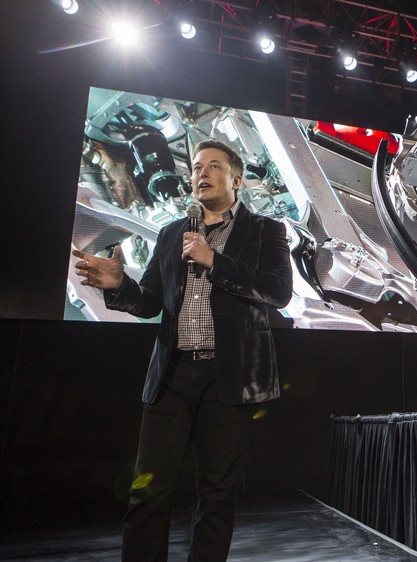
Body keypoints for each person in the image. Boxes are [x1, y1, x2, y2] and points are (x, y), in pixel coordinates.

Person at [72, 139, 293, 561]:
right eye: (195, 167)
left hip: (229, 381)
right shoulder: (174, 232)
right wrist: (120, 286)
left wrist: (215, 260)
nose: (202, 174)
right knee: (148, 494)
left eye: (213, 166)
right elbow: (152, 301)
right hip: (172, 376)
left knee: (216, 497)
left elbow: (278, 291)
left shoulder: (266, 230)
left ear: (237, 179)